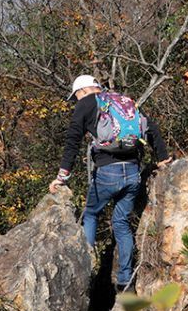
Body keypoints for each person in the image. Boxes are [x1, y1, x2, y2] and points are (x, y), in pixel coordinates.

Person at [48, 74, 171, 291]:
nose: (76, 101)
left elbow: (73, 141)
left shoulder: (86, 103)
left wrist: (62, 177)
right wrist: (162, 158)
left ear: (83, 91)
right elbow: (151, 128)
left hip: (107, 171)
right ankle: (124, 281)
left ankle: (86, 269)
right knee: (121, 223)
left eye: (76, 96)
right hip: (133, 171)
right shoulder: (122, 101)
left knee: (91, 213)